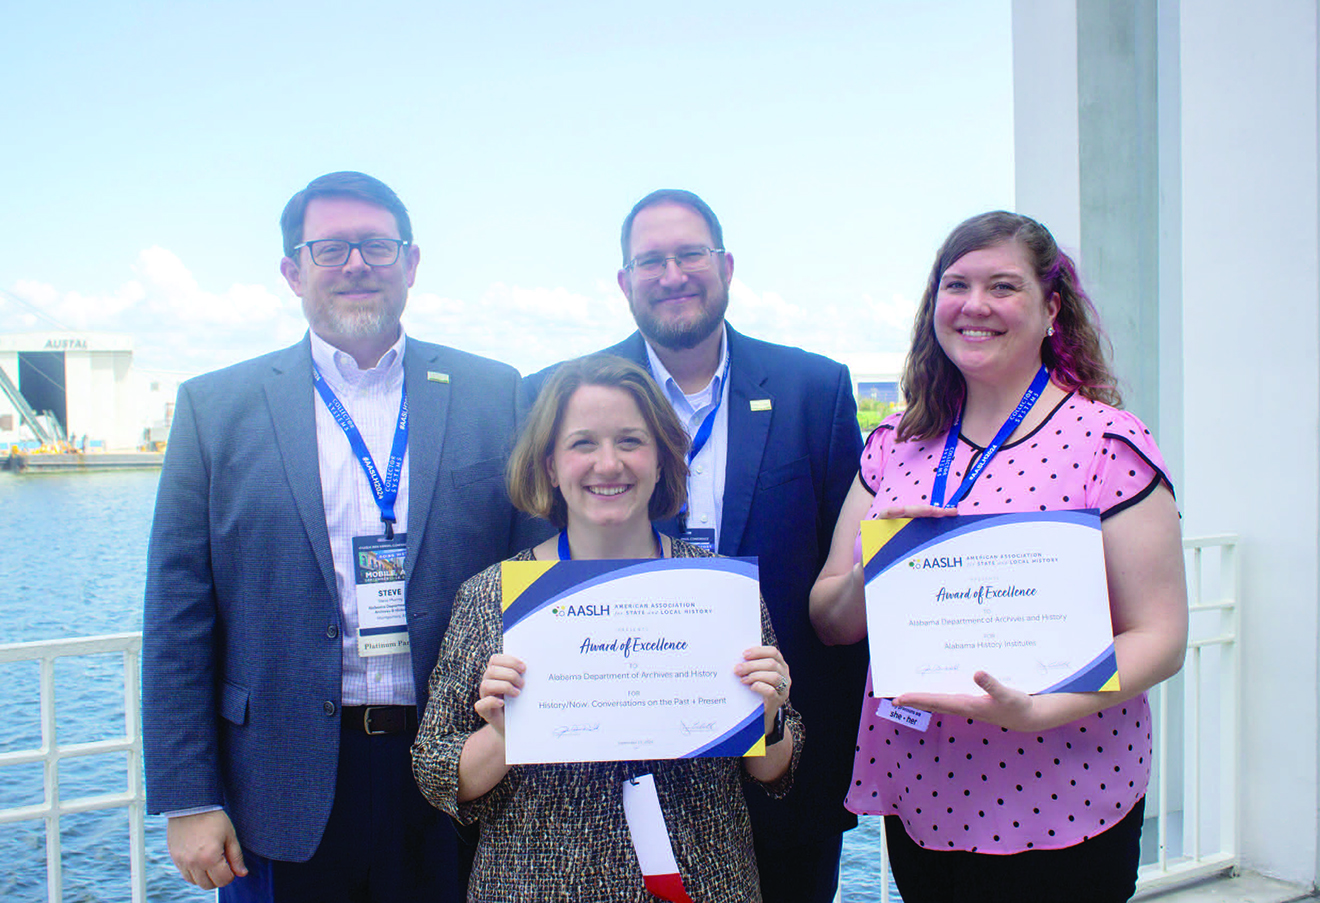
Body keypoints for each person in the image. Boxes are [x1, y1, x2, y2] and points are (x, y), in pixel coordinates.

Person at [142, 171, 539, 902]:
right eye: (330, 249)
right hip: (278, 781)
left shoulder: (495, 391)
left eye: (376, 246)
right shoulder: (214, 407)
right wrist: (189, 797)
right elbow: (177, 616)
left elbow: (534, 573)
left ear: (411, 264)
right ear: (293, 271)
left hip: (459, 766)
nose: (356, 264)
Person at [810, 211, 1188, 902]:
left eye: (1003, 286)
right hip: (924, 795)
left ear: (1051, 309)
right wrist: (876, 568)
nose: (975, 305)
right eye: (956, 284)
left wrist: (1041, 708)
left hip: (1068, 797)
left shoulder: (1108, 442)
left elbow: (1161, 637)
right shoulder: (895, 444)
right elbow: (832, 618)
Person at [524, 190, 865, 903]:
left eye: (690, 254)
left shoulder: (815, 389)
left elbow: (845, 581)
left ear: (727, 265)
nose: (672, 273)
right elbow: (538, 568)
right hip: (614, 779)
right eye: (651, 259)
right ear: (624, 282)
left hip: (781, 764)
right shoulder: (559, 395)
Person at [412, 354, 803, 901]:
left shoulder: (715, 591)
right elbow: (436, 771)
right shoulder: (492, 596)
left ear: (663, 459)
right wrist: (503, 734)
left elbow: (778, 771)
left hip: (703, 883)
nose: (608, 463)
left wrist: (770, 716)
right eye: (582, 444)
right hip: (533, 887)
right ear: (550, 465)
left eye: (629, 441)